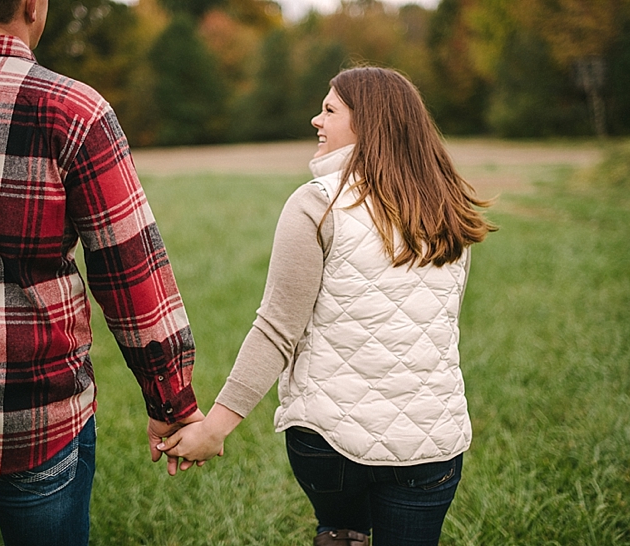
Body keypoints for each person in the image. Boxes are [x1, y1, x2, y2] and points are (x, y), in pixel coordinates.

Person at [157, 66, 497, 546]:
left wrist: (216, 427)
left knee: (342, 534)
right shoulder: (448, 209)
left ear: (367, 125)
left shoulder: (317, 204)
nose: (316, 121)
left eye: (329, 110)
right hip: (430, 444)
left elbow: (278, 329)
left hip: (330, 444)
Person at [0, 1, 201, 545]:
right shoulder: (73, 109)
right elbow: (131, 270)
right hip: (38, 415)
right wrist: (170, 399)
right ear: (32, 5)